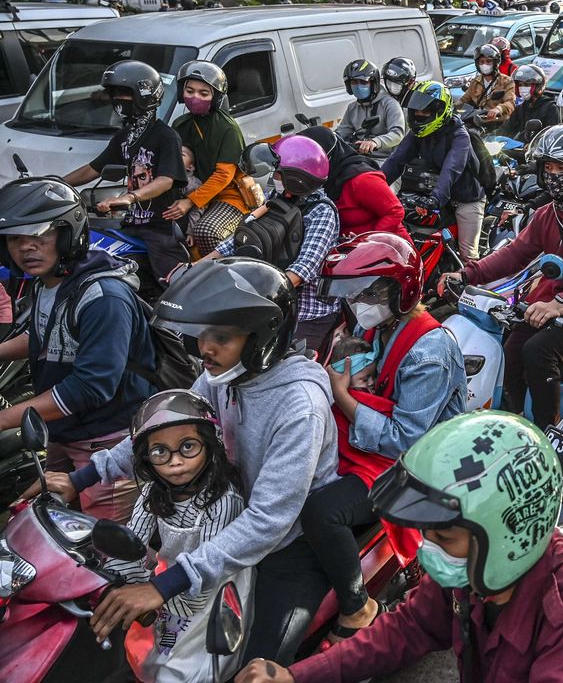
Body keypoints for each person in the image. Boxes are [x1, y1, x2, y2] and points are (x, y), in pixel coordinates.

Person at [34, 258, 341, 665]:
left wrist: (167, 584)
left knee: (257, 664)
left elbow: (270, 519)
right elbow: (161, 428)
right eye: (201, 335)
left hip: (286, 542)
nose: (204, 349)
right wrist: (83, 477)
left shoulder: (299, 406)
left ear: (261, 339)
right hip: (220, 511)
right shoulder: (224, 375)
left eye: (221, 337)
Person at [235, 411, 563, 683]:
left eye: (443, 537)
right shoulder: (472, 569)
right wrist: (296, 674)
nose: (429, 549)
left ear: (505, 534)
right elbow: (408, 629)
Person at [306, 232, 466, 644]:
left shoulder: (428, 351)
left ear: (402, 291)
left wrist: (341, 396)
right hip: (370, 449)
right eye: (357, 294)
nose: (361, 303)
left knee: (322, 512)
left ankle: (357, 606)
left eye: (371, 293)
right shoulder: (374, 326)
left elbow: (404, 440)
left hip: (415, 464)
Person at [438, 125, 563, 428]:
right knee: (510, 345)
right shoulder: (548, 213)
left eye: (562, 167)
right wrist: (466, 273)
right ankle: (511, 418)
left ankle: (545, 430)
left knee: (537, 351)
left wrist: (561, 302)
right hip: (546, 307)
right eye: (548, 167)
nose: (553, 174)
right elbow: (514, 254)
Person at [0, 177, 154, 520]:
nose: (26, 248)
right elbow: (47, 338)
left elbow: (91, 386)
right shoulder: (48, 283)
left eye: (40, 235)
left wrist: (6, 419)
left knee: (104, 551)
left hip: (106, 445)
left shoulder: (103, 297)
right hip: (64, 431)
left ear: (68, 234)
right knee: (48, 526)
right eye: (15, 239)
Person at [97, 390, 251, 682]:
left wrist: (149, 593)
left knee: (184, 672)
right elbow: (131, 544)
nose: (175, 462)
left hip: (211, 590)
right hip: (166, 583)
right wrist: (115, 580)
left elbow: (205, 581)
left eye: (188, 447)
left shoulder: (223, 501)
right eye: (160, 452)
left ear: (210, 445)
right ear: (146, 458)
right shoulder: (152, 493)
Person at [62, 60, 189, 283]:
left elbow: (166, 180)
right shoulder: (125, 137)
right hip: (131, 224)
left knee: (174, 285)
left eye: (125, 93)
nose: (118, 100)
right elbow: (94, 169)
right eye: (115, 93)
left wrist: (130, 197)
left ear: (145, 96)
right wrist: (55, 184)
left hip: (160, 228)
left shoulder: (166, 136)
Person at [212, 135, 342, 354]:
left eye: (279, 174)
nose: (275, 178)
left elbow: (302, 270)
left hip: (305, 312)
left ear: (297, 179)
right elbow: (247, 232)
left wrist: (259, 296)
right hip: (269, 298)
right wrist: (202, 265)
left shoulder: (322, 212)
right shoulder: (276, 197)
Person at [382, 81, 486, 262]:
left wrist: (435, 198)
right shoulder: (418, 134)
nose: (419, 116)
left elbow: (452, 169)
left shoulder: (459, 135)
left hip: (465, 198)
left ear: (441, 110)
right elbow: (396, 161)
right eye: (416, 112)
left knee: (468, 256)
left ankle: (471, 287)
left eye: (425, 112)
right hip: (434, 194)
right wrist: (374, 183)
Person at [164, 61, 253, 256]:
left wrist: (190, 202)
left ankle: (219, 275)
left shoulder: (227, 128)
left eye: (203, 93)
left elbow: (223, 176)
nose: (195, 97)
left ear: (215, 97)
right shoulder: (181, 124)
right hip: (191, 190)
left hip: (228, 197)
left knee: (206, 231)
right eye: (189, 91)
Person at [298, 126, 408, 239]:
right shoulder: (323, 179)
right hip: (345, 248)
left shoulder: (362, 179)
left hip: (388, 247)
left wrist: (367, 239)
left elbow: (395, 211)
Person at [335, 60, 406, 155]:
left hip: (385, 159)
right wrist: (327, 138)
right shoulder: (352, 108)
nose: (358, 86)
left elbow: (397, 134)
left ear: (374, 83)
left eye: (363, 82)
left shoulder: (389, 104)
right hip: (359, 157)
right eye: (354, 82)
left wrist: (375, 142)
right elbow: (342, 132)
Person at [459, 44, 516, 125]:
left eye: (488, 61)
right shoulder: (475, 81)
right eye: (481, 62)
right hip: (476, 121)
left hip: (497, 124)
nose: (484, 64)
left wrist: (498, 109)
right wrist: (450, 108)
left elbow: (511, 103)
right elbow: (463, 100)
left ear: (496, 62)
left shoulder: (507, 81)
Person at [500, 64, 560, 140]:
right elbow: (506, 128)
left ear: (538, 86)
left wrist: (534, 144)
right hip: (519, 149)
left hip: (538, 150)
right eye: (520, 85)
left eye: (527, 84)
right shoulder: (521, 108)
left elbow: (552, 135)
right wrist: (490, 137)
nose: (522, 88)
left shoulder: (550, 108)